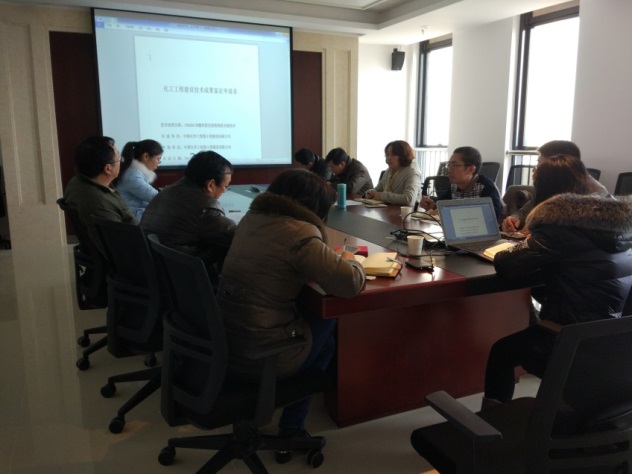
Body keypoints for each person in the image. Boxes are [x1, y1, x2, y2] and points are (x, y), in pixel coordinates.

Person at [216, 169, 365, 464]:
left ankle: (280, 418)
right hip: (261, 351)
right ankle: (292, 428)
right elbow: (348, 284)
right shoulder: (300, 232)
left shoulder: (251, 218)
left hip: (224, 341)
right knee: (328, 322)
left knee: (322, 335)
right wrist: (351, 260)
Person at [482, 156, 632, 408]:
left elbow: (508, 265)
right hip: (611, 341)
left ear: (545, 190)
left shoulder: (560, 227)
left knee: (501, 351)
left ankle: (492, 422)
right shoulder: (621, 226)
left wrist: (526, 242)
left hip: (569, 339)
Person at [140, 150, 236, 286]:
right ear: (210, 185)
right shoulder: (205, 206)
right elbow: (237, 237)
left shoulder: (168, 190)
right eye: (225, 187)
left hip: (154, 269)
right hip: (182, 277)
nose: (224, 191)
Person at [502, 140, 610, 232]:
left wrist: (542, 233)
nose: (534, 169)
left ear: (559, 164)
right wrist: (515, 218)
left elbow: (582, 237)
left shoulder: (597, 195)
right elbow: (530, 207)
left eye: (540, 164)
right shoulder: (549, 183)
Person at [64, 135, 136, 256]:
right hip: (132, 255)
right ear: (108, 169)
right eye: (119, 158)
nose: (121, 161)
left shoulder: (78, 182)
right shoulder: (99, 202)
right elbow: (121, 249)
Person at [420, 146, 502, 220]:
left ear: (471, 169)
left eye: (454, 165)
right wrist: (433, 206)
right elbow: (443, 204)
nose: (449, 170)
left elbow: (494, 217)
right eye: (449, 165)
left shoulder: (487, 187)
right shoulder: (454, 186)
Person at [114, 139, 163, 220]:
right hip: (133, 221)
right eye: (158, 159)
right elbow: (156, 197)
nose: (158, 164)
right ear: (146, 156)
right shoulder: (132, 176)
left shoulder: (134, 173)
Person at [364, 140, 421, 206]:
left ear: (403, 156)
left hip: (408, 212)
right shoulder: (389, 171)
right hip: (388, 210)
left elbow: (409, 199)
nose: (388, 158)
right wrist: (371, 193)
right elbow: (378, 189)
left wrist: (382, 196)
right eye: (387, 154)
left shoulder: (412, 172)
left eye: (393, 155)